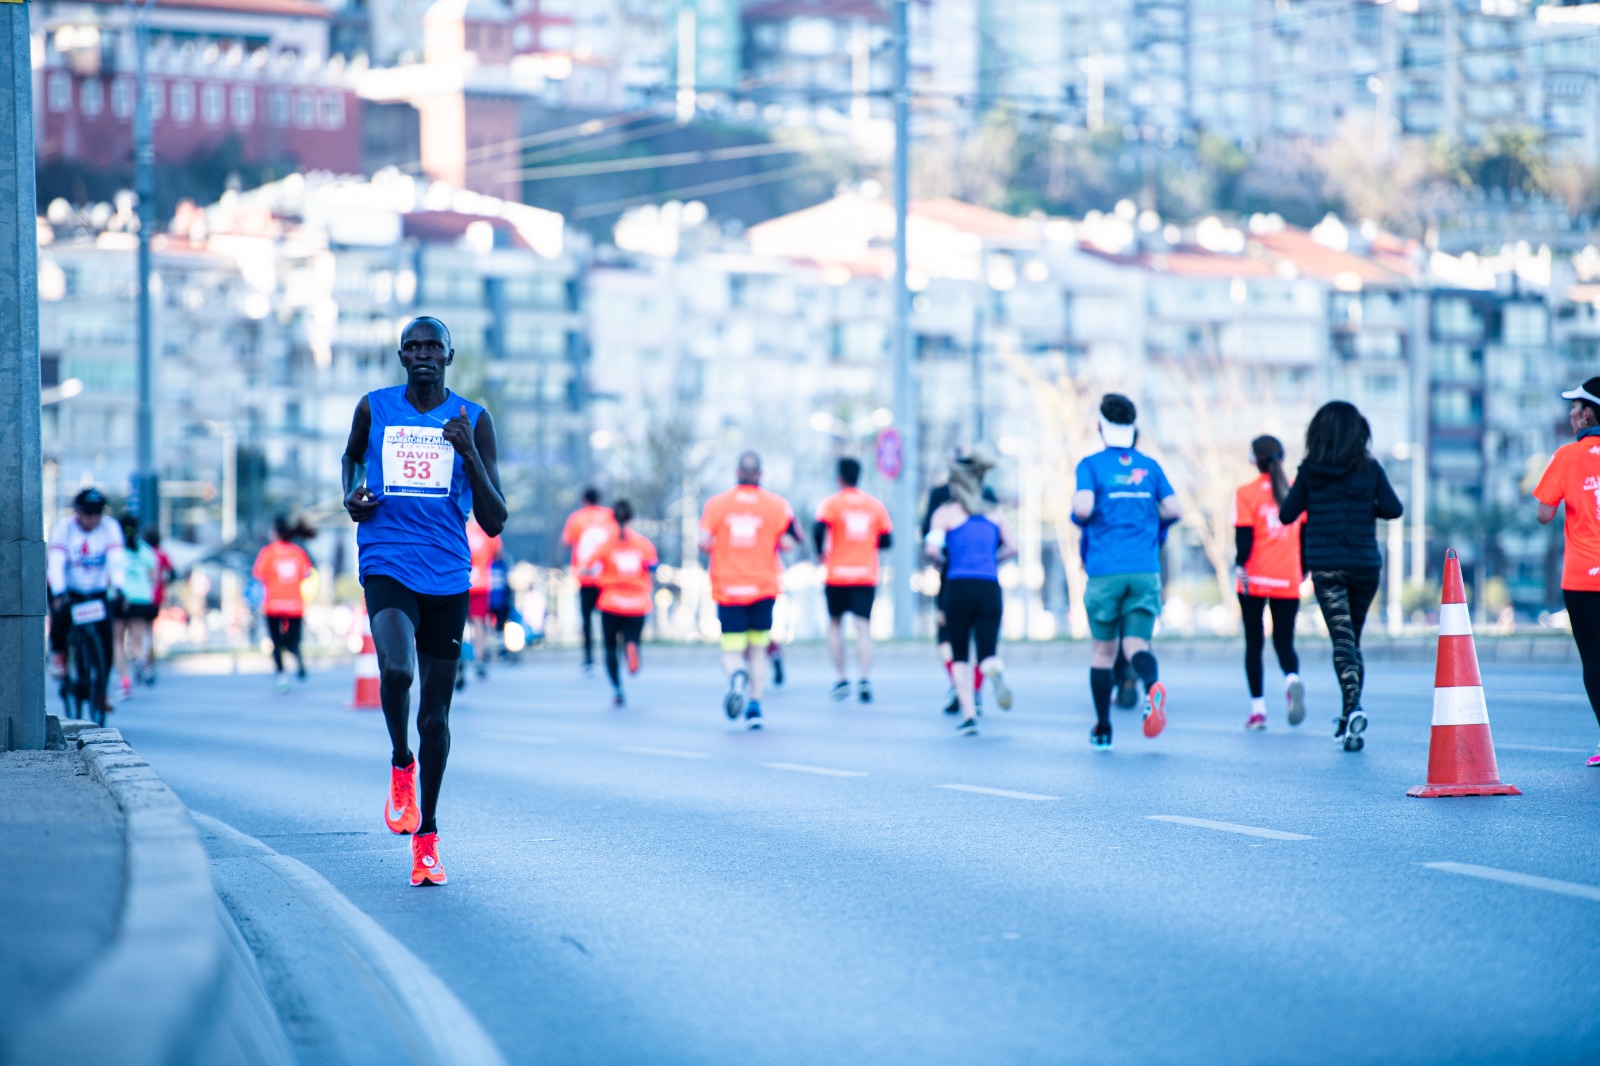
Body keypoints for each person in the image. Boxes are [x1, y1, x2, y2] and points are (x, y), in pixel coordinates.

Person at [343, 316, 507, 886]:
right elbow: (350, 459)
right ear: (401, 355)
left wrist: (471, 455)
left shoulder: (473, 419)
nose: (422, 355)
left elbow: (494, 519)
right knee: (395, 670)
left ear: (448, 356)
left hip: (448, 574)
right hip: (386, 559)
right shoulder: (374, 406)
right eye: (412, 347)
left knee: (435, 718)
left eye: (432, 346)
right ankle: (399, 762)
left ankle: (427, 836)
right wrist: (352, 496)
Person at [1279, 400, 1403, 753]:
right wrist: (1366, 508)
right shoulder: (1370, 468)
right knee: (1353, 642)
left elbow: (1288, 515)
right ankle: (1350, 715)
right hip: (1365, 565)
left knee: (1342, 642)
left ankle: (1354, 710)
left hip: (1328, 566)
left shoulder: (1310, 471)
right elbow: (1394, 509)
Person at [1074, 394, 1181, 750]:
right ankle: (1152, 686)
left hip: (1106, 570)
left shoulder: (1090, 465)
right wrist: (1145, 514)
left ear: (1100, 427)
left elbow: (1084, 508)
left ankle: (1103, 728)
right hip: (1145, 569)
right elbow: (1173, 508)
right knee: (1136, 644)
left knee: (1103, 652)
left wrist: (1082, 511)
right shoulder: (1150, 467)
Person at [700, 451, 800, 729]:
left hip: (729, 588)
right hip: (763, 587)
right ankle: (755, 707)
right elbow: (790, 542)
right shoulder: (777, 505)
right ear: (760, 474)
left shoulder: (717, 504)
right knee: (758, 648)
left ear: (737, 471)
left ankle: (736, 675)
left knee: (731, 649)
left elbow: (703, 541)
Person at [925, 446, 1016, 735]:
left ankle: (968, 715)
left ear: (955, 484)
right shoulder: (995, 513)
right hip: (990, 586)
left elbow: (931, 549)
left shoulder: (945, 513)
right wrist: (993, 559)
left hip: (958, 586)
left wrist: (941, 561)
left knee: (960, 653)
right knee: (986, 650)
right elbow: (1014, 547)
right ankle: (994, 668)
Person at [1533, 376, 1600, 767]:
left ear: (1587, 413)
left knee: (1594, 658)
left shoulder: (1566, 456)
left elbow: (1543, 514)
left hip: (1582, 578)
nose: (1571, 415)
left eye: (1574, 408)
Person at [1233, 435, 1307, 730]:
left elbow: (1244, 539)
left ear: (1254, 460)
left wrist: (1239, 564)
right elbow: (1305, 535)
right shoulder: (1296, 490)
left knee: (1254, 642)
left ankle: (1258, 710)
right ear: (1282, 457)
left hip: (1255, 578)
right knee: (1284, 641)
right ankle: (1292, 681)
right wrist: (1304, 570)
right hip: (1288, 576)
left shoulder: (1245, 493)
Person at [814, 457, 894, 703]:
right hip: (864, 574)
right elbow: (888, 540)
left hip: (837, 573)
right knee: (863, 628)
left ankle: (841, 678)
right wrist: (868, 544)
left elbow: (818, 529)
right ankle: (864, 678)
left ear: (840, 477)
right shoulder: (874, 505)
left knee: (836, 624)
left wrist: (821, 552)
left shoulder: (832, 504)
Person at [47, 488, 126, 716]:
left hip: (97, 590)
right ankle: (59, 655)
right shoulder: (65, 528)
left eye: (97, 513)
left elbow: (116, 560)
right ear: (77, 513)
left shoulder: (110, 527)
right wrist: (60, 591)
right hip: (70, 588)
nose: (93, 518)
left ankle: (102, 689)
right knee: (60, 615)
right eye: (88, 513)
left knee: (107, 638)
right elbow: (56, 561)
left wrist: (118, 587)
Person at [588, 500, 659, 707]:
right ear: (631, 518)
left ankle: (618, 688)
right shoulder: (643, 544)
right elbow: (653, 569)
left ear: (613, 518)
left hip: (611, 601)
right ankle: (632, 647)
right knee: (632, 637)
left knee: (610, 647)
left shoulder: (605, 544)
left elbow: (589, 568)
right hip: (637, 602)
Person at [253, 516, 315, 693]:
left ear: (276, 532)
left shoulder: (268, 553)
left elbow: (258, 575)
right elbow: (308, 574)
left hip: (274, 605)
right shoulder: (298, 552)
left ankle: (281, 676)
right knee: (293, 639)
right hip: (295, 604)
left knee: (276, 641)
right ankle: (297, 655)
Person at [561, 488, 616, 675]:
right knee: (609, 618)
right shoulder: (609, 516)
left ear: (584, 499)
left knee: (587, 620)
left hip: (585, 577)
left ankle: (588, 659)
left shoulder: (576, 519)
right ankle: (612, 654)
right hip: (606, 576)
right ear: (599, 498)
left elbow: (566, 541)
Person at [115, 517, 162, 696]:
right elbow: (154, 576)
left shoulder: (115, 549)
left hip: (121, 598)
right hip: (142, 598)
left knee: (118, 640)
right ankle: (141, 661)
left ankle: (125, 682)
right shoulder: (145, 550)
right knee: (138, 639)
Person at [463, 516, 502, 685]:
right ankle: (479, 658)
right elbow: (499, 553)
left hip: (461, 581)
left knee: (461, 622)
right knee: (479, 622)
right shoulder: (487, 529)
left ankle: (460, 657)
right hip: (481, 583)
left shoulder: (462, 528)